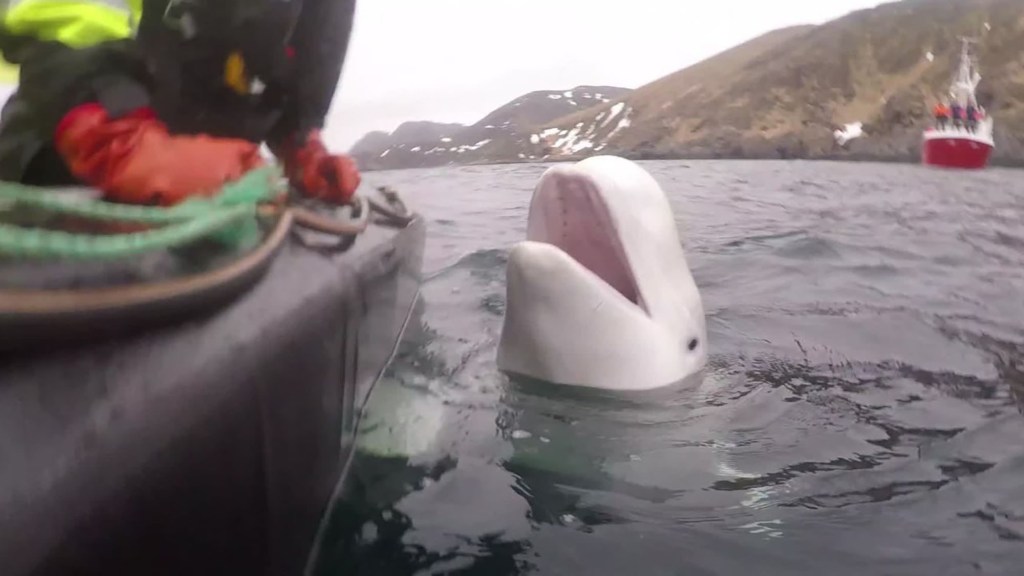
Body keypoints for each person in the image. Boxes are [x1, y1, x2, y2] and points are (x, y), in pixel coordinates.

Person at [0, 0, 361, 207]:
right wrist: (108, 131)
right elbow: (70, 14)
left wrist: (298, 141)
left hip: (220, 184)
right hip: (67, 147)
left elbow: (310, 44)